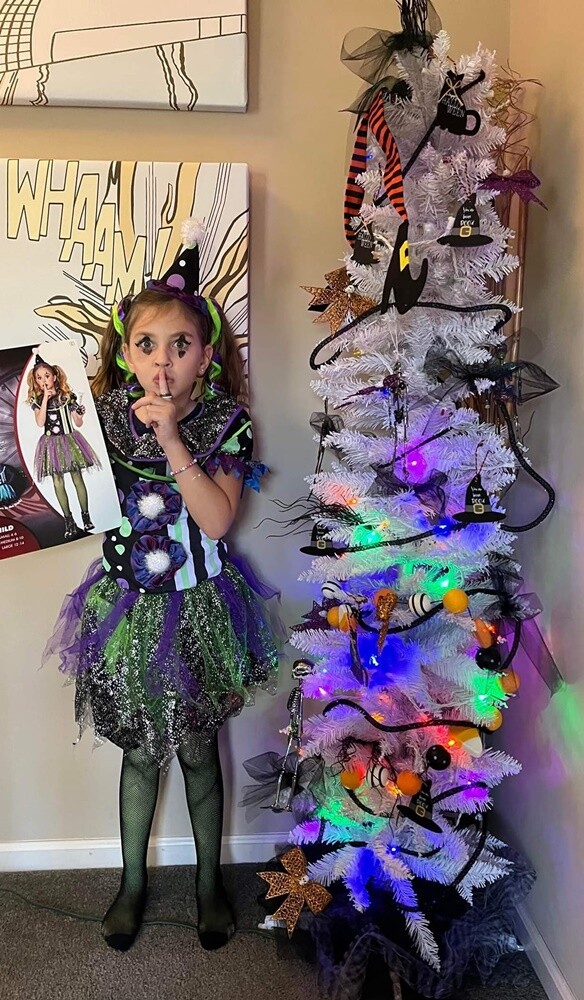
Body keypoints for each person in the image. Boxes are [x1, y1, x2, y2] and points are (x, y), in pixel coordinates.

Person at [43, 229, 280, 953]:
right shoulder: (101, 420)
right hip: (127, 611)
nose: (162, 361)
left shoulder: (227, 424)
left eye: (181, 345)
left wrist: (175, 439)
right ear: (125, 353)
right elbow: (68, 494)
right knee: (141, 754)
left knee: (200, 751)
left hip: (201, 606)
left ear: (206, 356)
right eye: (147, 345)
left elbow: (217, 519)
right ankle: (131, 884)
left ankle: (208, 884)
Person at [26, 356, 100, 537]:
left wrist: (80, 415)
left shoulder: (67, 396)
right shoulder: (37, 400)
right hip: (50, 443)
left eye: (47, 376)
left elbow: (78, 423)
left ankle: (86, 516)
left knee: (77, 477)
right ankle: (69, 520)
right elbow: (40, 422)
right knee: (57, 481)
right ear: (35, 381)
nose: (44, 380)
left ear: (54, 376)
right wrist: (45, 399)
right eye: (39, 378)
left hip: (69, 440)